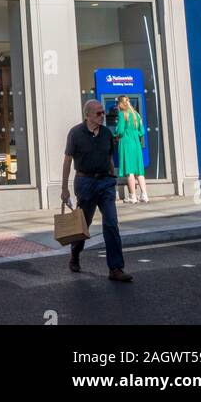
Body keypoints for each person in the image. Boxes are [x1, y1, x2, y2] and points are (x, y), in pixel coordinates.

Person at [61, 99, 133, 282]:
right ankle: (75, 255)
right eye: (98, 113)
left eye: (103, 112)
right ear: (88, 115)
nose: (103, 115)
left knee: (111, 223)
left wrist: (112, 179)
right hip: (85, 182)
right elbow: (68, 161)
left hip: (105, 183)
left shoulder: (107, 134)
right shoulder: (75, 133)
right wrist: (64, 189)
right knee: (83, 225)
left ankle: (116, 268)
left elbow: (109, 158)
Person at [114, 94, 148, 203]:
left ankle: (132, 196)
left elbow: (120, 131)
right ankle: (144, 195)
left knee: (130, 171)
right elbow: (142, 132)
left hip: (126, 144)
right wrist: (134, 133)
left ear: (120, 104)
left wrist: (115, 136)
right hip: (136, 144)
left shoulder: (122, 114)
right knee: (139, 171)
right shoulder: (136, 115)